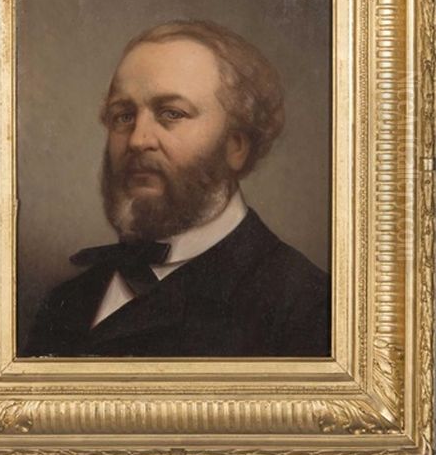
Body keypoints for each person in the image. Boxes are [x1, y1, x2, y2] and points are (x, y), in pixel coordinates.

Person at [25, 20, 330, 358]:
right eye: (123, 116)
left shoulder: (305, 309)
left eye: (171, 113)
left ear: (236, 145)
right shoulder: (66, 301)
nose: (138, 140)